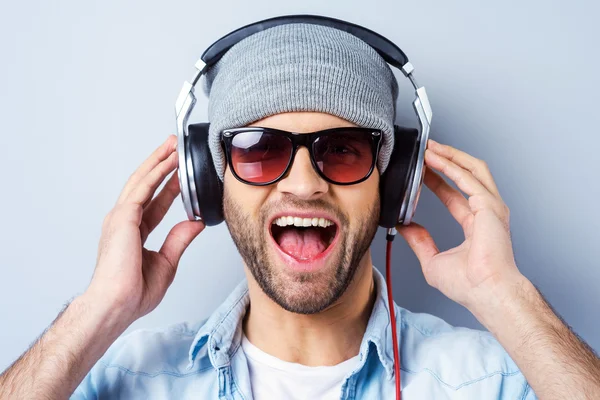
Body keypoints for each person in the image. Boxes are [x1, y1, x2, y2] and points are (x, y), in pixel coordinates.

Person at [1, 21, 599, 400]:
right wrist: (99, 312)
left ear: (394, 185)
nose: (305, 185)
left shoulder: (487, 382)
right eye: (260, 151)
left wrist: (506, 297)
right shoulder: (121, 381)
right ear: (211, 183)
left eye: (342, 150)